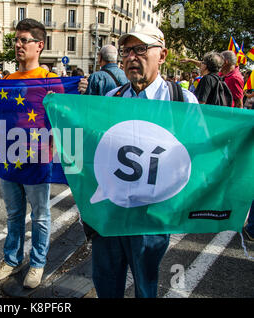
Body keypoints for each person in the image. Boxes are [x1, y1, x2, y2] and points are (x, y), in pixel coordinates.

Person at [95, 22, 199, 298]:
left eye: (140, 49)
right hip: (112, 212)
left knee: (145, 285)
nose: (131, 57)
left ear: (161, 55)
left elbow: (200, 155)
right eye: (126, 50)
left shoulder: (182, 101)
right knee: (106, 281)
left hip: (151, 218)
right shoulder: (111, 98)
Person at [0, 18, 61, 290]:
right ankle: (12, 258)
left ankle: (38, 263)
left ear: (39, 45)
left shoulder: (52, 80)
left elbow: (61, 120)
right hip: (9, 158)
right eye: (16, 40)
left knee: (40, 215)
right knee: (14, 213)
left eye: (24, 40)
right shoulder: (7, 79)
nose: (18, 45)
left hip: (38, 160)